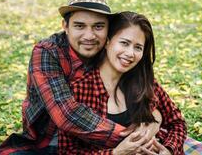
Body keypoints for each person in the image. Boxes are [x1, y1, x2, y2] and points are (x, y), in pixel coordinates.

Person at [0, 0, 161, 155]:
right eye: (79, 26)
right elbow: (67, 114)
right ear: (65, 26)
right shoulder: (47, 52)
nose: (89, 36)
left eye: (98, 26)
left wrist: (156, 121)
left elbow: (156, 98)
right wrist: (135, 140)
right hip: (48, 138)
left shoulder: (112, 52)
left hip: (94, 140)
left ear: (108, 30)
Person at [59, 11, 186, 154]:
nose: (130, 53)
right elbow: (67, 151)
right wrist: (115, 153)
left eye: (138, 47)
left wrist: (169, 150)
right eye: (124, 43)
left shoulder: (143, 80)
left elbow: (177, 122)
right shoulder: (80, 89)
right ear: (107, 42)